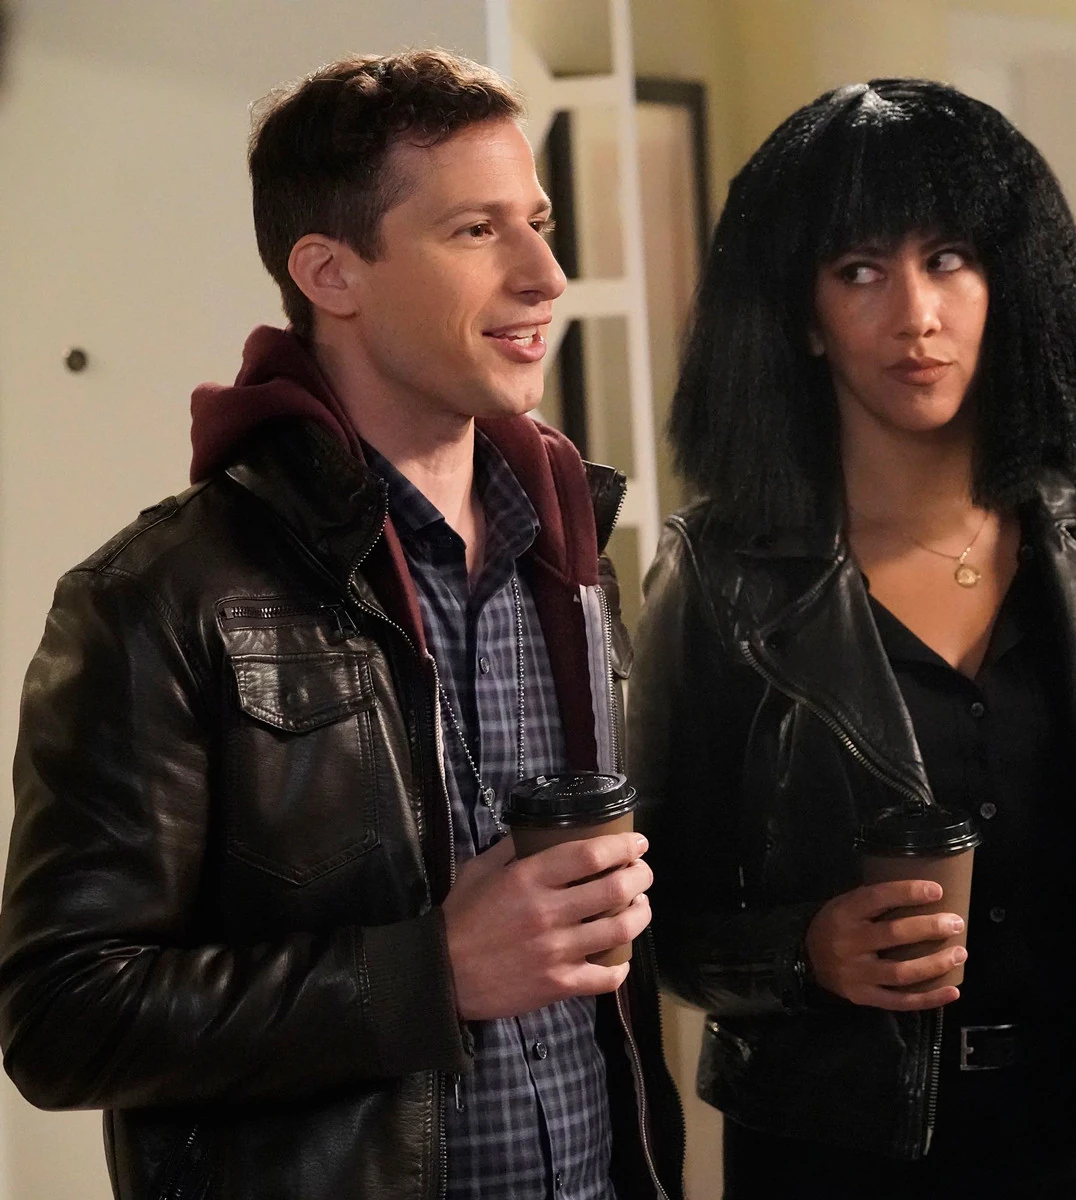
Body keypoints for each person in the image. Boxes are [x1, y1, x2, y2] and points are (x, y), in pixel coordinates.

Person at [0, 50, 681, 1200]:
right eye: (477, 231)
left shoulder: (569, 553)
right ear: (330, 272)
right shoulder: (158, 595)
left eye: (539, 224)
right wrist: (429, 974)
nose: (545, 275)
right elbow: (62, 1017)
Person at [632, 79, 1076, 1200]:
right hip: (838, 1152)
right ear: (802, 315)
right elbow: (650, 911)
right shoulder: (720, 572)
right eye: (859, 271)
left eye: (948, 260)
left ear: (1008, 282)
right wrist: (802, 952)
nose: (916, 314)